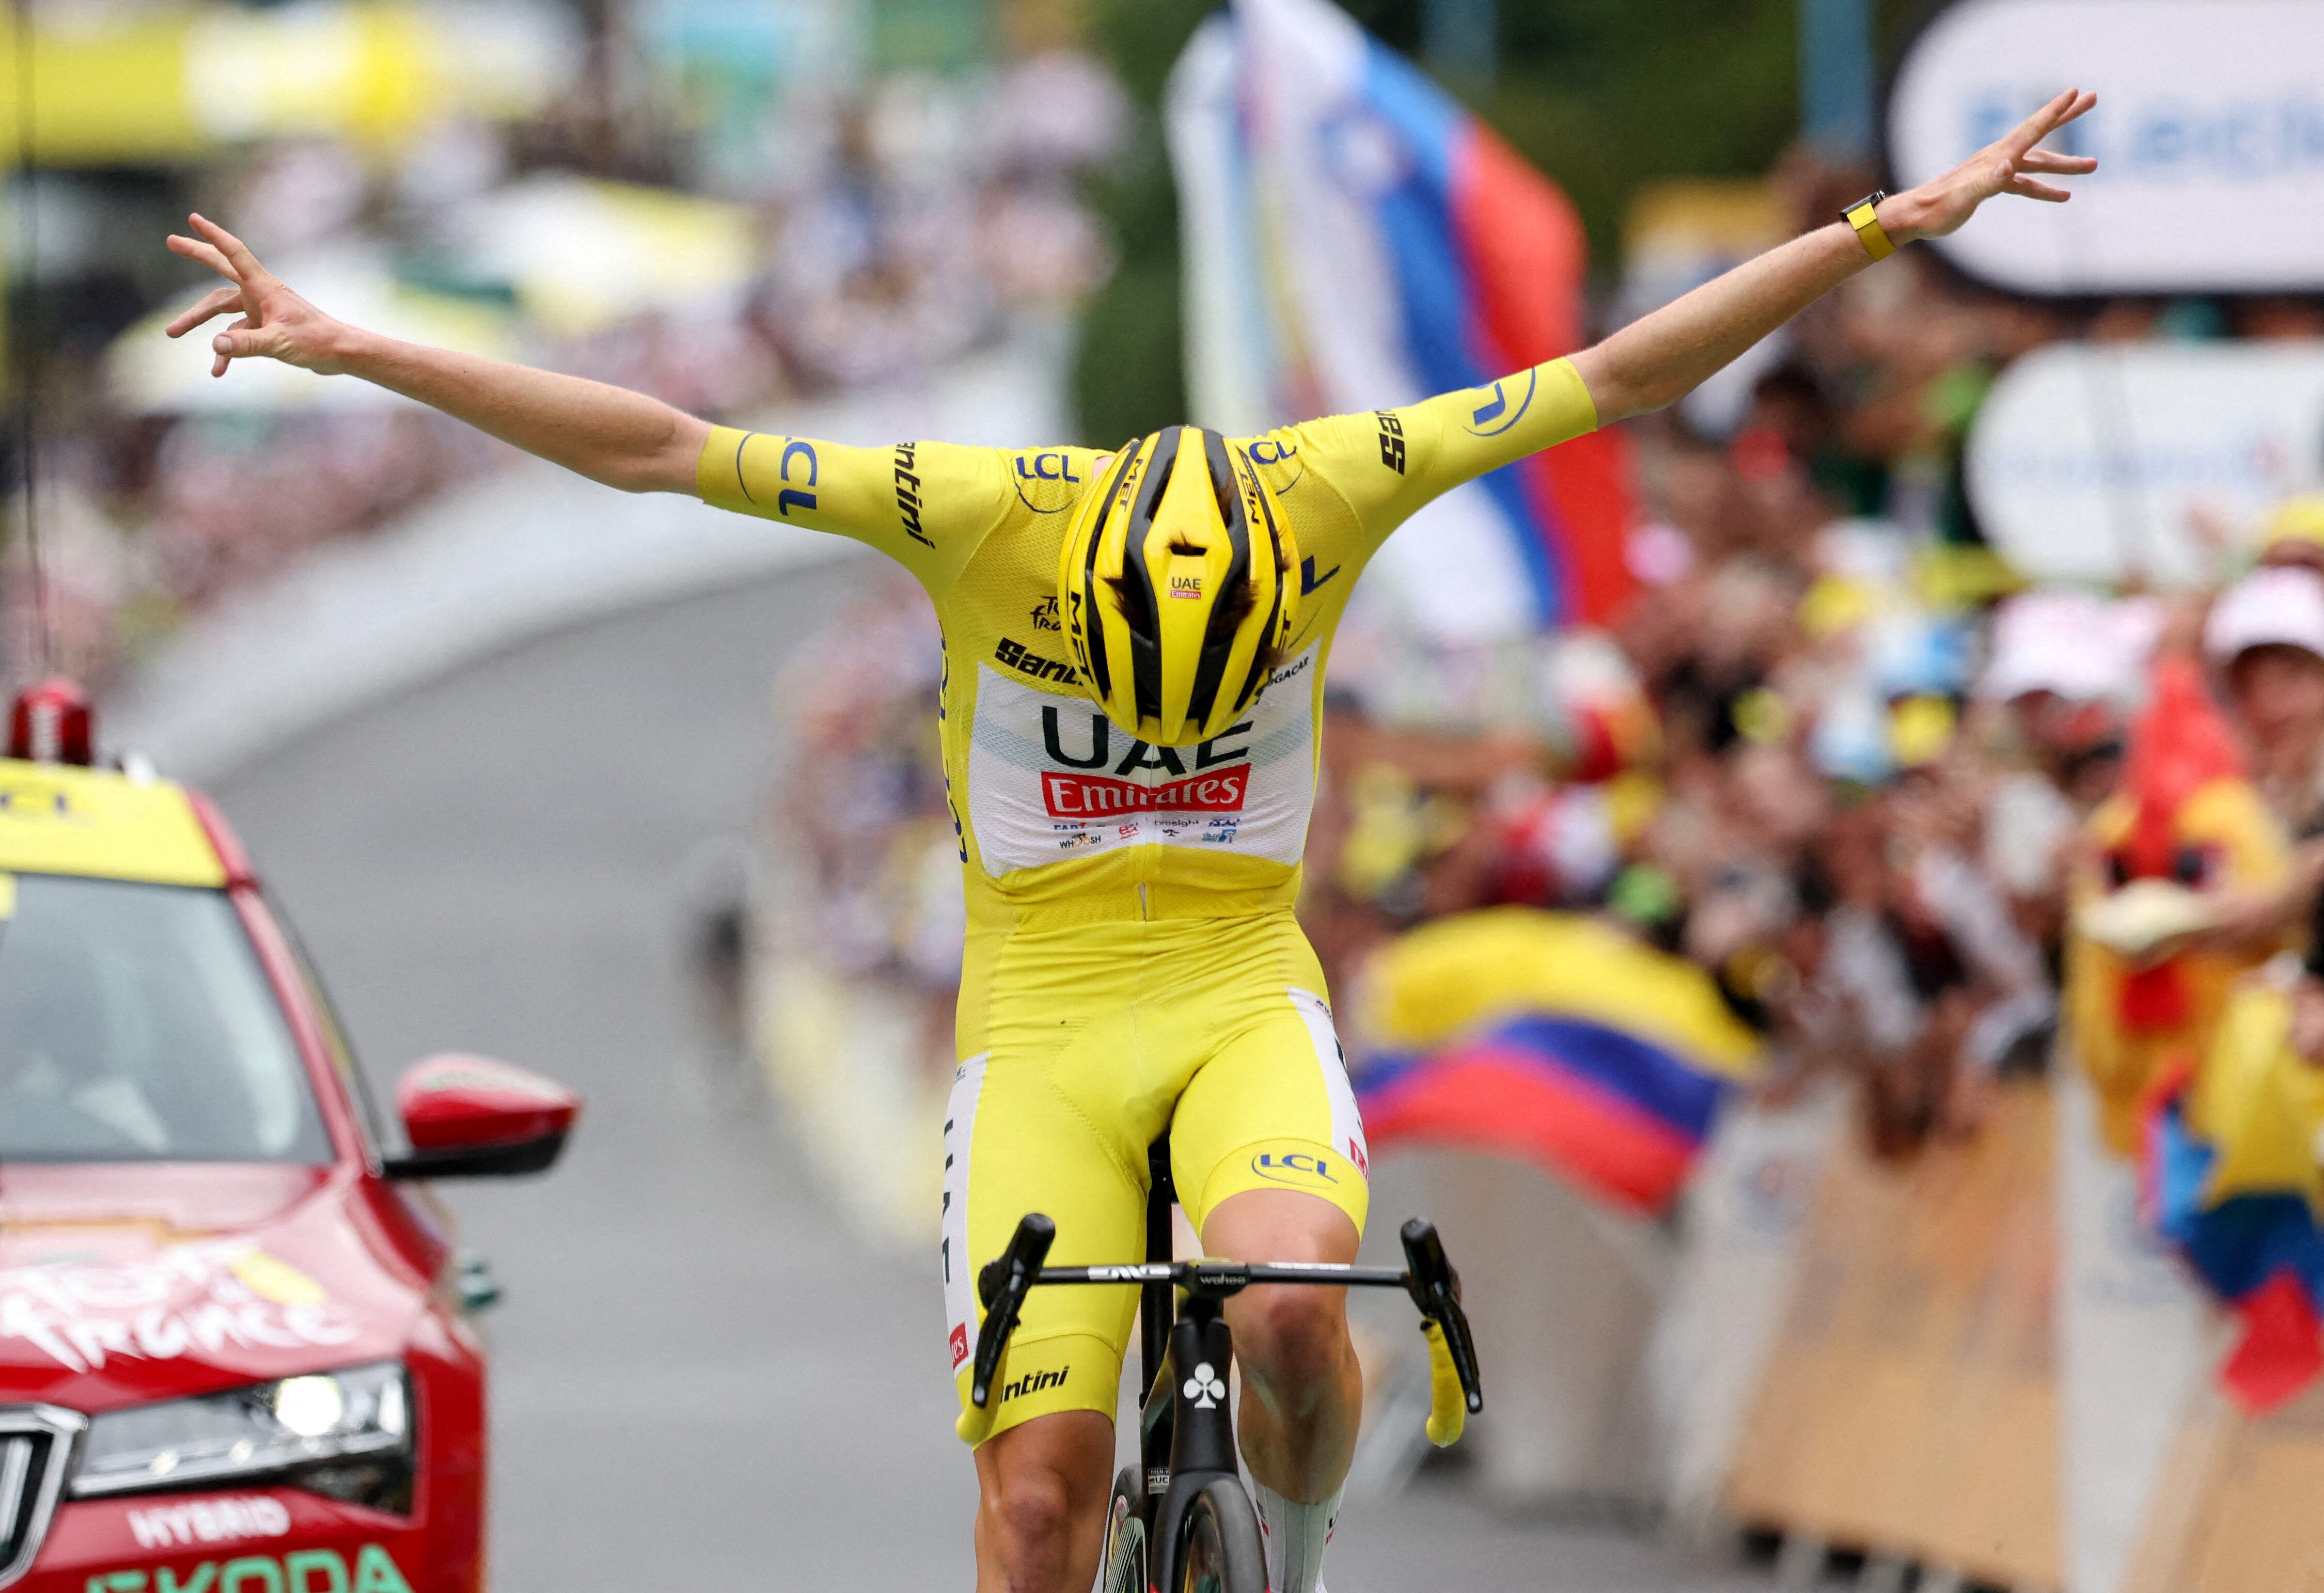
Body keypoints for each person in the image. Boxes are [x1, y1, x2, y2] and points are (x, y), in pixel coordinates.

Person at [161, 88, 2096, 1593]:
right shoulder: (973, 504)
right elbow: (659, 442)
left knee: (1281, 1304)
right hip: (1047, 1021)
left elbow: (1622, 373)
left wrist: (1874, 232)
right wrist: (363, 350)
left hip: (1239, 982)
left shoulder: (1330, 481)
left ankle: (1302, 1555)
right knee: (1036, 1510)